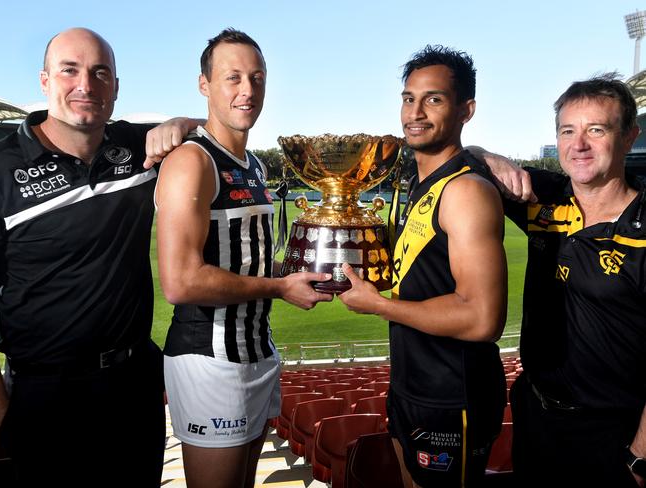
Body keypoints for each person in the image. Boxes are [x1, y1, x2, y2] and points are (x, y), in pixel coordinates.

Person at [0, 27, 198, 487]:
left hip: (132, 385)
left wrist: (183, 124)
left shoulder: (137, 149)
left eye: (99, 72)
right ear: (45, 81)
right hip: (43, 395)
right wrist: (3, 415)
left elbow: (215, 129)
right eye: (69, 70)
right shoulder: (1, 171)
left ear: (116, 87)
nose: (85, 84)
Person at [154, 28, 333, 488]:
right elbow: (180, 281)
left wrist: (295, 272)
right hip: (210, 360)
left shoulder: (255, 164)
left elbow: (246, 260)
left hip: (258, 353)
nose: (247, 90)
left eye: (257, 77)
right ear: (204, 85)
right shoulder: (192, 161)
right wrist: (279, 288)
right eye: (232, 77)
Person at [337, 45, 508, 487]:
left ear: (465, 110)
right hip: (413, 386)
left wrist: (379, 306)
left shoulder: (466, 191)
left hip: (454, 396)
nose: (415, 111)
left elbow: (482, 317)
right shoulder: (419, 183)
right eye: (409, 97)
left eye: (433, 99)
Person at [471, 74, 646, 487]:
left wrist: (639, 460)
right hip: (538, 422)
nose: (578, 145)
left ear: (629, 137)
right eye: (568, 131)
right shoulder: (542, 198)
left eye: (596, 130)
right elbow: (462, 159)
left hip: (615, 437)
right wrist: (488, 155)